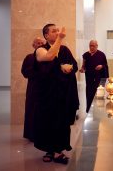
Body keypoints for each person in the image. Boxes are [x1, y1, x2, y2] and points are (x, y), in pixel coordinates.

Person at [33, 24, 80, 164]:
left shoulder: (65, 50)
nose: (57, 33)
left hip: (64, 93)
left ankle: (59, 150)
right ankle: (49, 150)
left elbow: (74, 65)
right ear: (46, 36)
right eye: (54, 31)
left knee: (62, 122)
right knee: (48, 122)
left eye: (57, 31)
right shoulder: (41, 50)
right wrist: (60, 39)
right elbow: (48, 57)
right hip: (48, 94)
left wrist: (69, 69)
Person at [21, 37, 46, 142]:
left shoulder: (47, 57)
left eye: (41, 43)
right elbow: (24, 72)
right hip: (33, 88)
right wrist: (35, 71)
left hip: (45, 89)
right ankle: (31, 134)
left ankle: (43, 134)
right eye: (37, 43)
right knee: (31, 110)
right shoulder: (29, 57)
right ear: (33, 45)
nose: (40, 45)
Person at [79, 40, 109, 113]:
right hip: (89, 77)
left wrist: (101, 66)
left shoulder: (101, 55)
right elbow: (83, 66)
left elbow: (105, 65)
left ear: (97, 46)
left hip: (99, 77)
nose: (91, 47)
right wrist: (82, 69)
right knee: (89, 92)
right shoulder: (86, 55)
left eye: (93, 46)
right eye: (90, 46)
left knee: (98, 93)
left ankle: (98, 110)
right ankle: (89, 109)